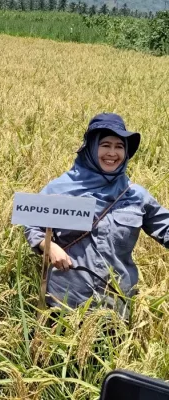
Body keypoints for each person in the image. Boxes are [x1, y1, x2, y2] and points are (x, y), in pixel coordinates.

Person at [25, 113, 169, 316]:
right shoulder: (61, 188)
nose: (112, 153)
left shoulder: (135, 195)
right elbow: (32, 223)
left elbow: (166, 228)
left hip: (116, 303)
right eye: (105, 145)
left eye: (119, 146)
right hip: (66, 302)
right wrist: (48, 247)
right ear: (91, 148)